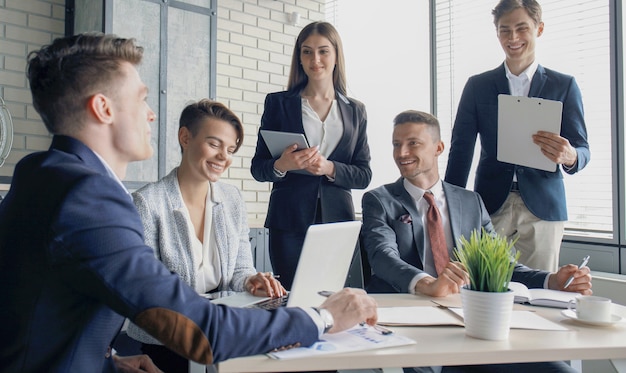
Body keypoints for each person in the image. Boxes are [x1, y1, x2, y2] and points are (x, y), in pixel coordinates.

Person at [0, 32, 378, 373]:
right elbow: (202, 332)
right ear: (103, 109)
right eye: (142, 99)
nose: (151, 114)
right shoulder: (91, 200)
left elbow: (46, 311)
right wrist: (322, 318)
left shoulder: (42, 172)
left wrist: (109, 361)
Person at [362, 110, 591, 372]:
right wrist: (428, 285)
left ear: (438, 148)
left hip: (471, 326)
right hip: (413, 330)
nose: (402, 153)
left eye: (413, 143)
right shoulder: (379, 200)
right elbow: (382, 257)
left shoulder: (470, 202)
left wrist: (553, 281)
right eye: (396, 144)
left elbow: (501, 265)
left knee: (559, 370)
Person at [127, 99, 287, 372]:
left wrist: (251, 281)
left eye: (230, 149)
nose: (224, 157)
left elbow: (240, 270)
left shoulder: (232, 199)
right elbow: (147, 295)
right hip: (167, 341)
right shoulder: (147, 203)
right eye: (214, 144)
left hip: (221, 331)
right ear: (185, 137)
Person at [444, 0, 590, 272]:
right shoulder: (478, 86)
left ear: (539, 29)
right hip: (489, 206)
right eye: (504, 30)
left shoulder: (564, 85)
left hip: (543, 208)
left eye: (521, 28)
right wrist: (450, 207)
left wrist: (570, 156)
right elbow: (461, 150)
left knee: (540, 293)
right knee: (485, 288)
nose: (513, 38)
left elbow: (582, 149)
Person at [250, 21, 371, 289]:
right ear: (299, 58)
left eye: (323, 51)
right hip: (289, 221)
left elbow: (364, 175)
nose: (315, 60)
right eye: (307, 52)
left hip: (337, 222)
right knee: (293, 298)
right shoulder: (278, 104)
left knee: (334, 299)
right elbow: (258, 168)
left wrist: (329, 168)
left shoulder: (356, 111)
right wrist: (282, 164)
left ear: (337, 56)